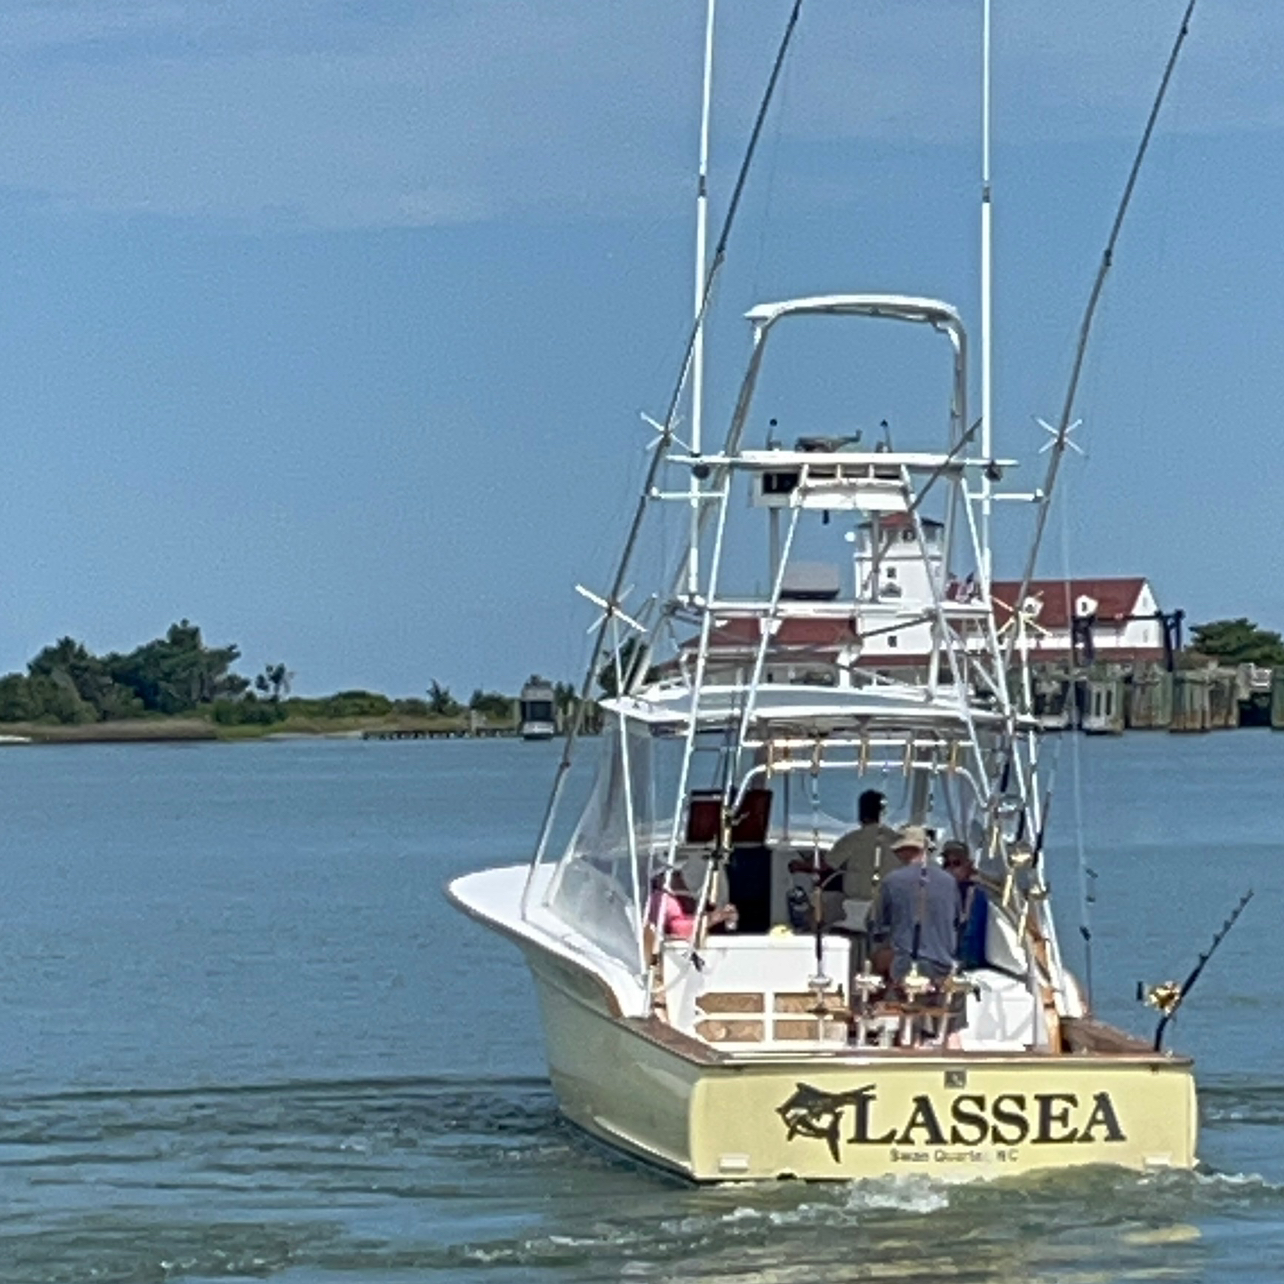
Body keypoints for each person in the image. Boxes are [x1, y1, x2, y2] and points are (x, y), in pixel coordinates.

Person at [789, 789, 897, 925]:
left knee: (820, 901)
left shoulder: (853, 839)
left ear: (861, 813)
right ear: (882, 813)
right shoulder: (897, 840)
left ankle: (811, 932)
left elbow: (823, 866)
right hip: (889, 905)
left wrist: (799, 865)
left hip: (858, 903)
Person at [869, 825, 958, 982]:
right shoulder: (950, 881)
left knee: (877, 957)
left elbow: (878, 925)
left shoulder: (892, 880)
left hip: (905, 965)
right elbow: (957, 921)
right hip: (943, 966)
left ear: (903, 851)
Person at [644, 869, 737, 959]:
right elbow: (678, 928)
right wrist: (711, 919)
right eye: (674, 875)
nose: (680, 879)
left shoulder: (681, 894)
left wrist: (726, 916)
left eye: (678, 874)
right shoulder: (661, 898)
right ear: (660, 880)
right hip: (674, 954)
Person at [943, 840, 989, 971]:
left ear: (969, 865)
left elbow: (971, 931)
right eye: (946, 864)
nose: (951, 869)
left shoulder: (977, 893)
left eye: (957, 863)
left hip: (967, 964)